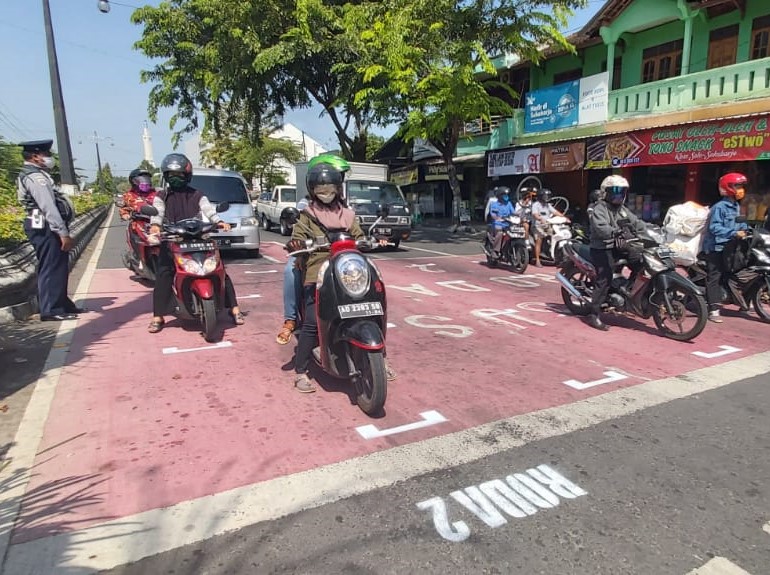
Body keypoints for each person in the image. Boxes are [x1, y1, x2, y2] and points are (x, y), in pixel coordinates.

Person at [286, 156, 392, 393]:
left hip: (350, 270)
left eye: (330, 188)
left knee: (375, 307)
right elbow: (298, 238)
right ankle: (301, 371)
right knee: (313, 321)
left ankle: (381, 358)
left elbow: (358, 234)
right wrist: (296, 244)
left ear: (337, 189)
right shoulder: (306, 216)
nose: (326, 193)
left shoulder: (348, 214)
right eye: (320, 189)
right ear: (313, 191)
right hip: (319, 271)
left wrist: (370, 239)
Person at [146, 153, 244, 332]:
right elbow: (158, 213)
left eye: (179, 176)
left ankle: (235, 308)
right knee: (164, 274)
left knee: (219, 269)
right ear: (166, 177)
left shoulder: (197, 194)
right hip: (172, 239)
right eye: (171, 176)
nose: (175, 180)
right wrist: (155, 226)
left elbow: (208, 209)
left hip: (199, 238)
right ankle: (158, 316)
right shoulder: (161, 196)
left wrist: (218, 222)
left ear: (187, 176)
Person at [16, 139, 84, 321]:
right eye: (46, 154)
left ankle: (61, 303)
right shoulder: (35, 177)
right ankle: (51, 310)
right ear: (35, 156)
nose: (49, 158)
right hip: (45, 226)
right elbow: (48, 207)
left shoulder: (39, 174)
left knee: (59, 266)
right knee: (51, 266)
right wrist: (62, 232)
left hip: (46, 225)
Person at [586, 175, 646, 331]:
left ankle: (626, 289)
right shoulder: (600, 208)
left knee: (640, 260)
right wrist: (614, 232)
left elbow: (636, 222)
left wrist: (650, 231)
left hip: (618, 246)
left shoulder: (622, 210)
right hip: (602, 247)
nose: (619, 195)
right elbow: (601, 228)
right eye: (615, 191)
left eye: (622, 192)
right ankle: (594, 314)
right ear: (606, 192)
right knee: (604, 278)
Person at [700, 172, 749, 323]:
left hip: (730, 247)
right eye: (737, 186)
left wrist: (747, 230)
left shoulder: (736, 206)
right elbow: (715, 228)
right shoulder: (719, 207)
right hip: (716, 247)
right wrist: (734, 232)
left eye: (741, 186)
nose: (740, 189)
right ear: (728, 188)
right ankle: (713, 309)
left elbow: (741, 223)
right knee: (715, 276)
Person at [276, 194, 310, 345]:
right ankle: (291, 319)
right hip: (310, 250)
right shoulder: (305, 204)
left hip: (334, 251)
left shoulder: (343, 205)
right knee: (291, 270)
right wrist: (298, 244)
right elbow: (299, 230)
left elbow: (353, 228)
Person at [120, 168, 156, 262]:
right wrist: (125, 215)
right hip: (139, 223)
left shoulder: (156, 193)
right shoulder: (129, 195)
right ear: (133, 182)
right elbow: (124, 209)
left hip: (157, 222)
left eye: (147, 179)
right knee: (136, 233)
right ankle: (139, 257)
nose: (145, 183)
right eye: (141, 180)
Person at [531, 188, 568, 267]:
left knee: (555, 236)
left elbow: (555, 212)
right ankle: (537, 260)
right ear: (541, 196)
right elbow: (535, 214)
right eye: (545, 196)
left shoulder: (548, 205)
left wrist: (564, 217)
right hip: (537, 225)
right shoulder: (535, 205)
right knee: (539, 240)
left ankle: (552, 254)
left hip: (547, 225)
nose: (547, 197)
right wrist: (540, 219)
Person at [487, 186, 515, 256]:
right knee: (499, 233)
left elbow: (514, 213)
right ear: (499, 196)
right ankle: (495, 250)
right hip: (498, 224)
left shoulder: (509, 203)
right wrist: (498, 218)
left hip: (508, 224)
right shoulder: (494, 204)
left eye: (506, 195)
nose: (506, 196)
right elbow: (493, 215)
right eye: (504, 195)